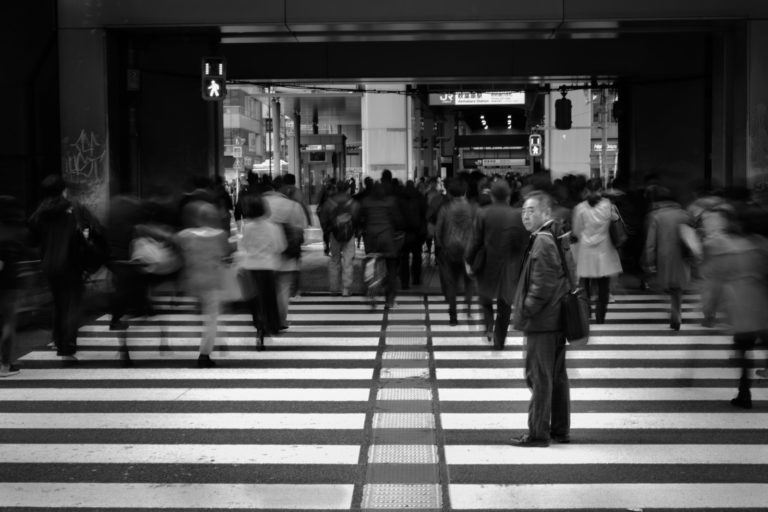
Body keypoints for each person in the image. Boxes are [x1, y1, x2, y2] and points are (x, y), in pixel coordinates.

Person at [511, 190, 571, 447]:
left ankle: (538, 433)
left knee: (539, 377)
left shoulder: (543, 241)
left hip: (543, 322)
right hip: (553, 319)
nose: (526, 215)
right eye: (524, 210)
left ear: (546, 213)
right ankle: (559, 429)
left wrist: (527, 309)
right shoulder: (551, 236)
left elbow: (543, 283)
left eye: (531, 210)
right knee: (555, 377)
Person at [28, 175, 102, 358]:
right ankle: (68, 342)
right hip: (71, 262)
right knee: (73, 303)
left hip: (48, 264)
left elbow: (32, 238)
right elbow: (95, 228)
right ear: (63, 190)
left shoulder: (39, 213)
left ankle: (59, 339)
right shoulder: (75, 208)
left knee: (59, 302)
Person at [466, 180, 527, 349]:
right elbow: (522, 243)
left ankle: (488, 327)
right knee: (505, 303)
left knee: (485, 297)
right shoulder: (516, 214)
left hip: (487, 261)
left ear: (492, 195)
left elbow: (476, 241)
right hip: (509, 264)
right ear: (508, 196)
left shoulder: (482, 213)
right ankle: (499, 340)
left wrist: (469, 260)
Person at [177, 201, 232, 367]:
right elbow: (226, 252)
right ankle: (204, 354)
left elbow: (177, 246)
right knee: (212, 318)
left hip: (193, 280)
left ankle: (220, 340)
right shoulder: (220, 235)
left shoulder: (185, 235)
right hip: (212, 280)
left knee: (208, 315)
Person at [571, 179, 623, 324]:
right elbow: (616, 220)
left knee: (585, 284)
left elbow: (576, 230)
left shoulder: (580, 208)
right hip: (604, 251)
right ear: (601, 190)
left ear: (587, 190)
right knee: (603, 288)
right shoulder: (608, 206)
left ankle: (587, 312)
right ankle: (601, 317)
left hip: (586, 251)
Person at [238, 194, 285, 349]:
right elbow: (280, 246)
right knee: (269, 300)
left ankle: (258, 326)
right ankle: (268, 326)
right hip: (268, 266)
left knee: (255, 301)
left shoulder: (247, 226)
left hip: (250, 267)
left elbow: (243, 245)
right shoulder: (273, 227)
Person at [643, 186, 692, 331]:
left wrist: (649, 260)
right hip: (682, 256)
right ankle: (676, 313)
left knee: (667, 286)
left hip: (663, 256)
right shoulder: (685, 214)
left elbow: (650, 242)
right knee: (677, 288)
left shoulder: (655, 216)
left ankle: (673, 312)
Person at [263, 181, 307, 330]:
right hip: (287, 253)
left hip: (264, 254)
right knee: (283, 289)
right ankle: (280, 321)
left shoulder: (262, 202)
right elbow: (301, 228)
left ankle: (264, 319)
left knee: (265, 288)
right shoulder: (293, 206)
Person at [435, 177, 475, 325]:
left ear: (450, 193)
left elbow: (438, 231)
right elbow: (478, 230)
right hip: (468, 251)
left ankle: (453, 315)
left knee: (451, 283)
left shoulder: (445, 208)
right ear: (465, 191)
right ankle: (469, 310)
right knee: (469, 281)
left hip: (449, 250)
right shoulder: (472, 208)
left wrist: (442, 246)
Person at [359, 180, 404, 309]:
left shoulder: (365, 201)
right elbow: (398, 219)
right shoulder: (391, 201)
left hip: (371, 239)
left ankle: (370, 291)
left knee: (370, 263)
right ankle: (389, 300)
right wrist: (399, 229)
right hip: (387, 239)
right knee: (391, 269)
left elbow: (360, 218)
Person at [0, 196, 26, 377]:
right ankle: (4, 365)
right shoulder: (11, 231)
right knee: (7, 323)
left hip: (7, 281)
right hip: (8, 283)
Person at [319, 181, 359, 296]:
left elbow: (323, 219)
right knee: (348, 261)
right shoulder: (353, 202)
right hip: (349, 234)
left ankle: (334, 287)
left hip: (334, 233)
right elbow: (357, 218)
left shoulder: (329, 203)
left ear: (336, 189)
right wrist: (353, 228)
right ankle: (346, 289)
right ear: (348, 189)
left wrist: (328, 230)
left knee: (334, 260)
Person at [398, 180, 427, 289]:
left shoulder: (400, 198)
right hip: (417, 231)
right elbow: (425, 212)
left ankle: (404, 282)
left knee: (404, 258)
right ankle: (416, 279)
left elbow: (397, 214)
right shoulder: (419, 197)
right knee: (417, 256)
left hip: (404, 232)